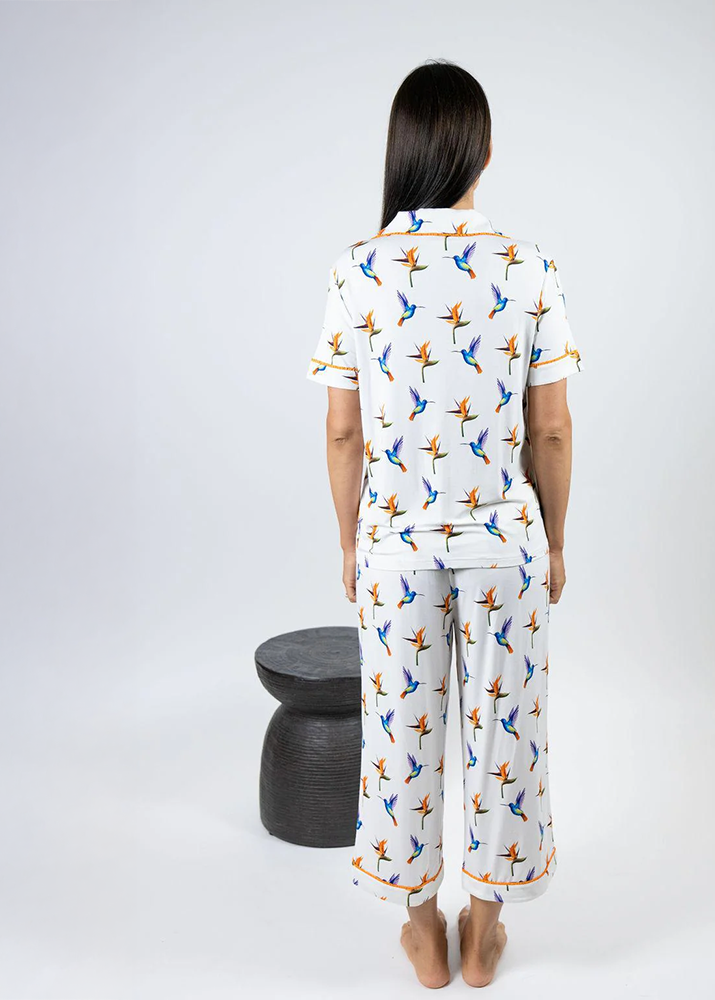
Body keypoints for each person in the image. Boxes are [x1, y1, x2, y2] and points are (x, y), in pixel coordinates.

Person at [304, 59, 583, 989]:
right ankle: (486, 930)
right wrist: (554, 540)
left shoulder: (357, 271)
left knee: (401, 735)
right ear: (485, 151)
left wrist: (350, 540)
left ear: (401, 151)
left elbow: (342, 430)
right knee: (508, 736)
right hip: (506, 546)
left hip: (394, 544)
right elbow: (551, 426)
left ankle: (421, 930)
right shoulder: (530, 267)